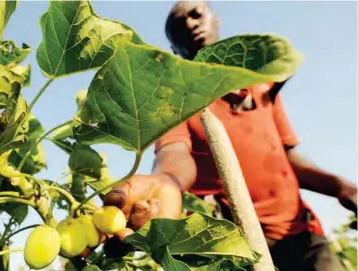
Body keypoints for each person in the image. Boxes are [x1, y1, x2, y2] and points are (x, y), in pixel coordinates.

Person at [103, 1, 357, 270]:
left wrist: (344, 187)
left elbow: (288, 159)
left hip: (301, 229)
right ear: (173, 49)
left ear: (216, 19)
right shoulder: (175, 100)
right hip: (239, 242)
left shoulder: (261, 87)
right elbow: (174, 152)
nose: (190, 23)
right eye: (178, 25)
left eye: (196, 14)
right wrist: (167, 181)